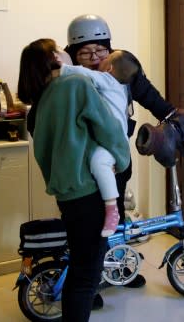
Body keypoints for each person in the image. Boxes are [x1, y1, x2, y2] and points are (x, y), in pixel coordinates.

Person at [17, 38, 130, 320]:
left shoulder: (41, 100)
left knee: (79, 270)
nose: (64, 54)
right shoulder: (76, 85)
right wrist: (122, 159)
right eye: (57, 50)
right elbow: (109, 129)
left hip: (67, 196)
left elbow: (43, 153)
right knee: (86, 278)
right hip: (90, 195)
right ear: (52, 60)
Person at [65, 14, 177, 289]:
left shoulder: (119, 68)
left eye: (99, 50)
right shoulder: (71, 78)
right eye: (85, 52)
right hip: (83, 163)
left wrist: (172, 115)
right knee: (89, 223)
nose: (93, 57)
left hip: (116, 156)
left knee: (116, 215)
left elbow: (148, 95)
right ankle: (89, 283)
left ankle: (117, 269)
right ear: (73, 54)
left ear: (109, 49)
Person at [59, 49, 141, 237]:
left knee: (98, 163)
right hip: (109, 140)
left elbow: (84, 73)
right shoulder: (119, 87)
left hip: (112, 142)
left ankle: (112, 210)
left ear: (109, 68)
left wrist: (61, 68)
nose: (98, 59)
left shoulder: (107, 80)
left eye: (104, 57)